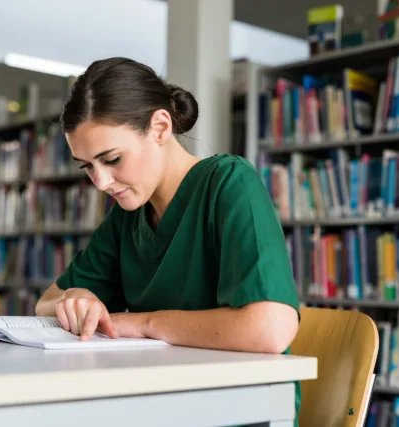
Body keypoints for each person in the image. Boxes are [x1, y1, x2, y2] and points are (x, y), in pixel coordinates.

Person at [35, 56, 301, 422]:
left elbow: (271, 329)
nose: (101, 183)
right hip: (163, 407)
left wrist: (144, 323)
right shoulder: (127, 216)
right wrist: (74, 297)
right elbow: (44, 304)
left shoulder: (229, 183)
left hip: (240, 411)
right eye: (87, 166)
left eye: (111, 159)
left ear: (160, 128)